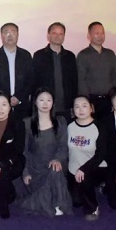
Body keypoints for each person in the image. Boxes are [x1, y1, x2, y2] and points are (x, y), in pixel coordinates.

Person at [19, 88, 72, 217]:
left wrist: (58, 159)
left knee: (55, 170)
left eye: (49, 100)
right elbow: (24, 151)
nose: (45, 103)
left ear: (53, 103)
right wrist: (26, 172)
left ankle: (58, 204)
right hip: (35, 168)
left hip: (56, 164)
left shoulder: (61, 121)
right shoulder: (27, 123)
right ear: (35, 102)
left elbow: (63, 146)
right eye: (41, 100)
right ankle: (51, 201)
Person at [66, 95, 107, 221]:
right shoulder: (69, 126)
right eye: (77, 107)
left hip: (96, 167)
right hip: (74, 170)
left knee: (85, 179)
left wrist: (84, 169)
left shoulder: (100, 126)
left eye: (84, 106)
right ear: (73, 110)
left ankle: (93, 208)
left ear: (91, 108)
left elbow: (101, 154)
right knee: (76, 202)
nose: (81, 110)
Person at [0, 23, 34, 122]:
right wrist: (5, 98)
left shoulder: (26, 55)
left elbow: (30, 80)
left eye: (13, 32)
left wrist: (19, 97)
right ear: (1, 36)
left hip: (22, 104)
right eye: (6, 32)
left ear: (18, 35)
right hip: (0, 106)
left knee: (22, 130)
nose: (10, 35)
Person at [32, 22, 78, 121]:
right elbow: (34, 82)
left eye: (61, 33)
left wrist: (74, 103)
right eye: (54, 33)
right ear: (48, 35)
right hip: (45, 106)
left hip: (66, 106)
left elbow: (74, 82)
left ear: (64, 36)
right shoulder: (39, 55)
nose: (58, 36)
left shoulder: (70, 56)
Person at [77, 22, 116, 119]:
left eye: (102, 33)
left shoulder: (110, 54)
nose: (100, 36)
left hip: (109, 99)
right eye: (96, 33)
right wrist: (86, 102)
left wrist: (115, 99)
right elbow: (81, 80)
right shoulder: (83, 55)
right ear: (89, 36)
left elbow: (115, 77)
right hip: (92, 100)